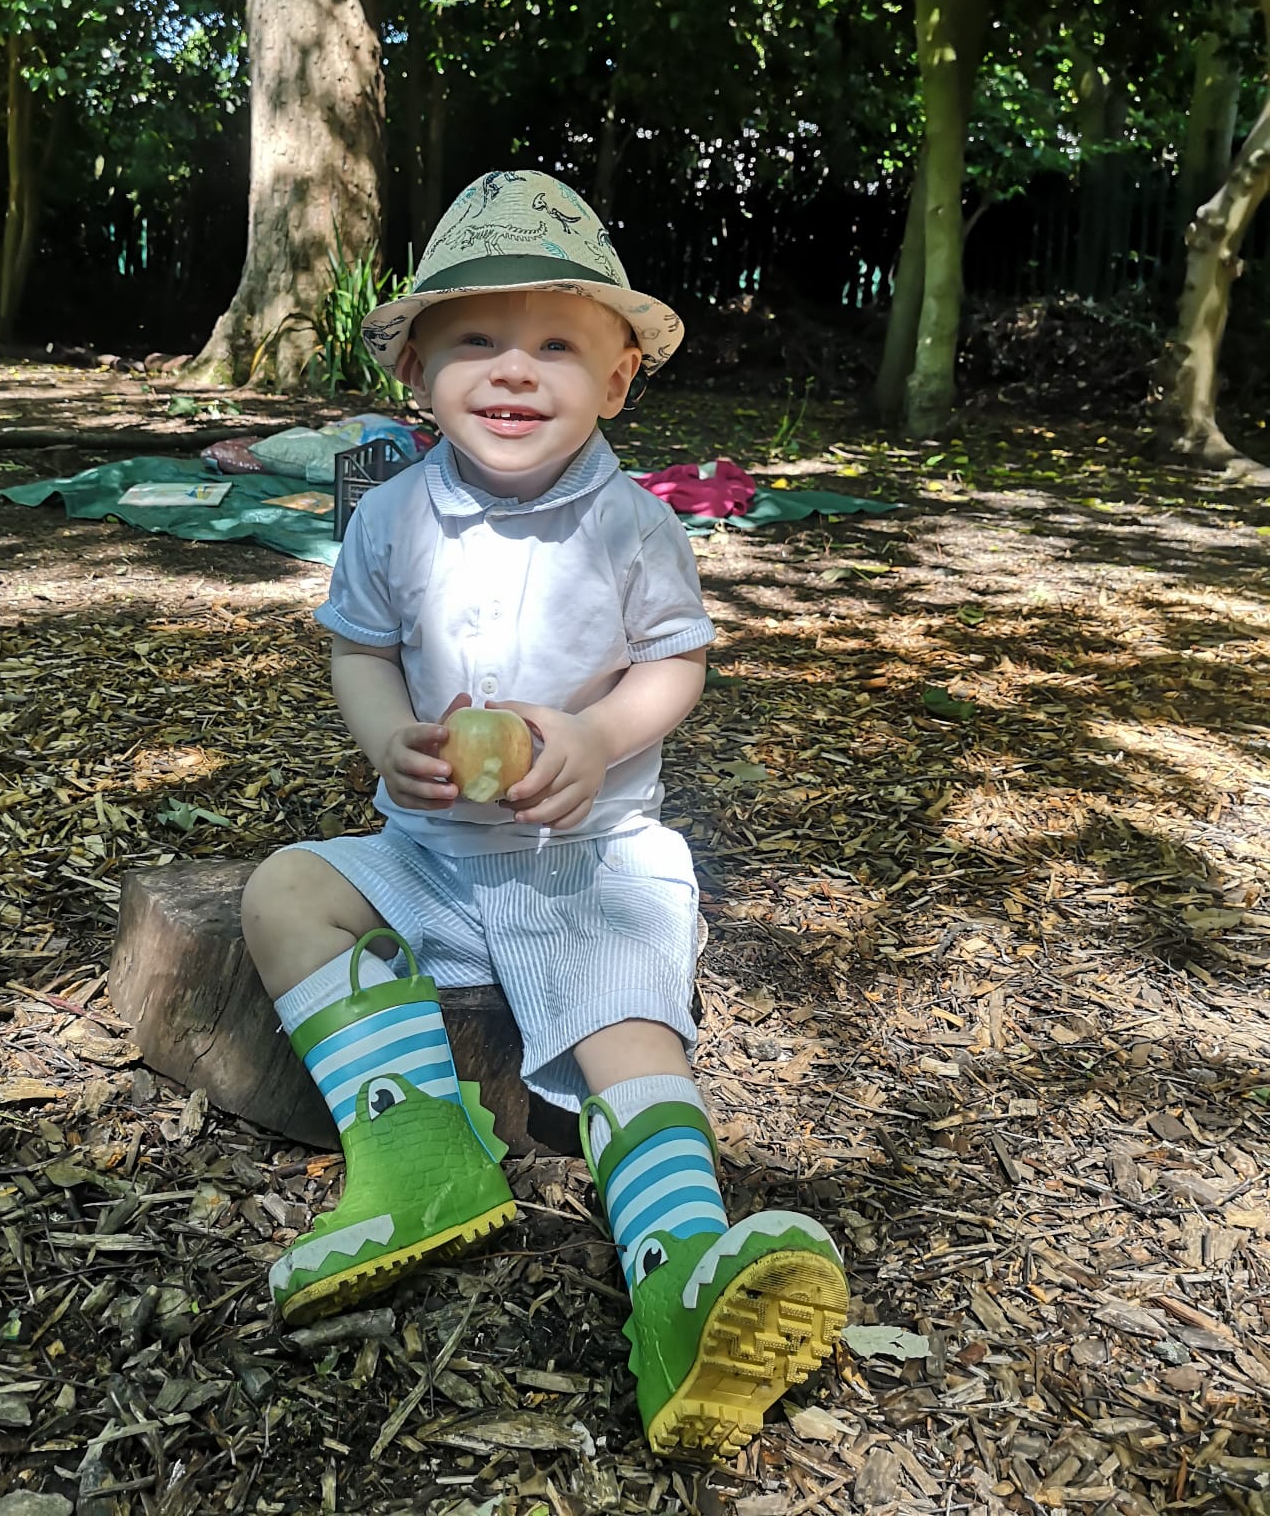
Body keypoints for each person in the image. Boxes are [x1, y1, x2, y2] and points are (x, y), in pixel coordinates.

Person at [241, 168, 848, 1457]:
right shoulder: (393, 516)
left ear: (619, 379)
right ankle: (418, 1161)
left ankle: (682, 1280)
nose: (514, 371)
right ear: (415, 368)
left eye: (557, 344)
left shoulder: (635, 528)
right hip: (432, 855)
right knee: (285, 890)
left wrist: (593, 734)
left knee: (633, 1031)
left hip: (591, 859)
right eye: (475, 338)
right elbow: (355, 647)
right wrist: (384, 738)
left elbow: (675, 663)